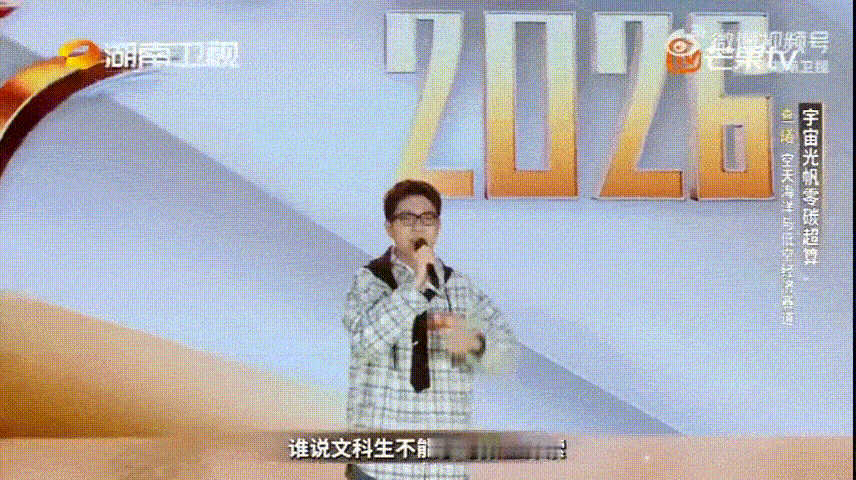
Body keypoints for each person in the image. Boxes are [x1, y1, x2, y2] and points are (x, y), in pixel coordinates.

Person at [342, 179, 519, 480]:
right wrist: (416, 285)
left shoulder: (461, 288)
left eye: (427, 218)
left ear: (438, 227)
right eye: (406, 218)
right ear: (389, 228)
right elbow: (365, 343)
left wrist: (475, 343)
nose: (418, 227)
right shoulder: (369, 281)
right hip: (380, 466)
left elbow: (506, 356)